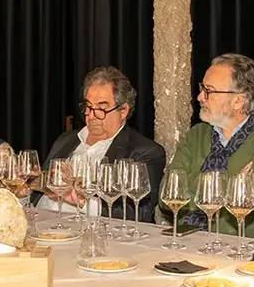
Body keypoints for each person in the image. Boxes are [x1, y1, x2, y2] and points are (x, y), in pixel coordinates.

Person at [164, 54, 254, 238]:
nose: (200, 97)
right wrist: (233, 183)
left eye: (209, 91)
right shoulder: (197, 134)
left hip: (242, 250)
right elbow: (169, 193)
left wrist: (194, 186)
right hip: (186, 242)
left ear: (238, 100)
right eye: (202, 88)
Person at [32, 66, 166, 222]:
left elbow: (138, 212)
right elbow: (37, 194)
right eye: (88, 107)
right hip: (40, 225)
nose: (91, 116)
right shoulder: (66, 140)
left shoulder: (144, 152)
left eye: (101, 109)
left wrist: (80, 201)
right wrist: (23, 193)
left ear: (123, 111)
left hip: (90, 234)